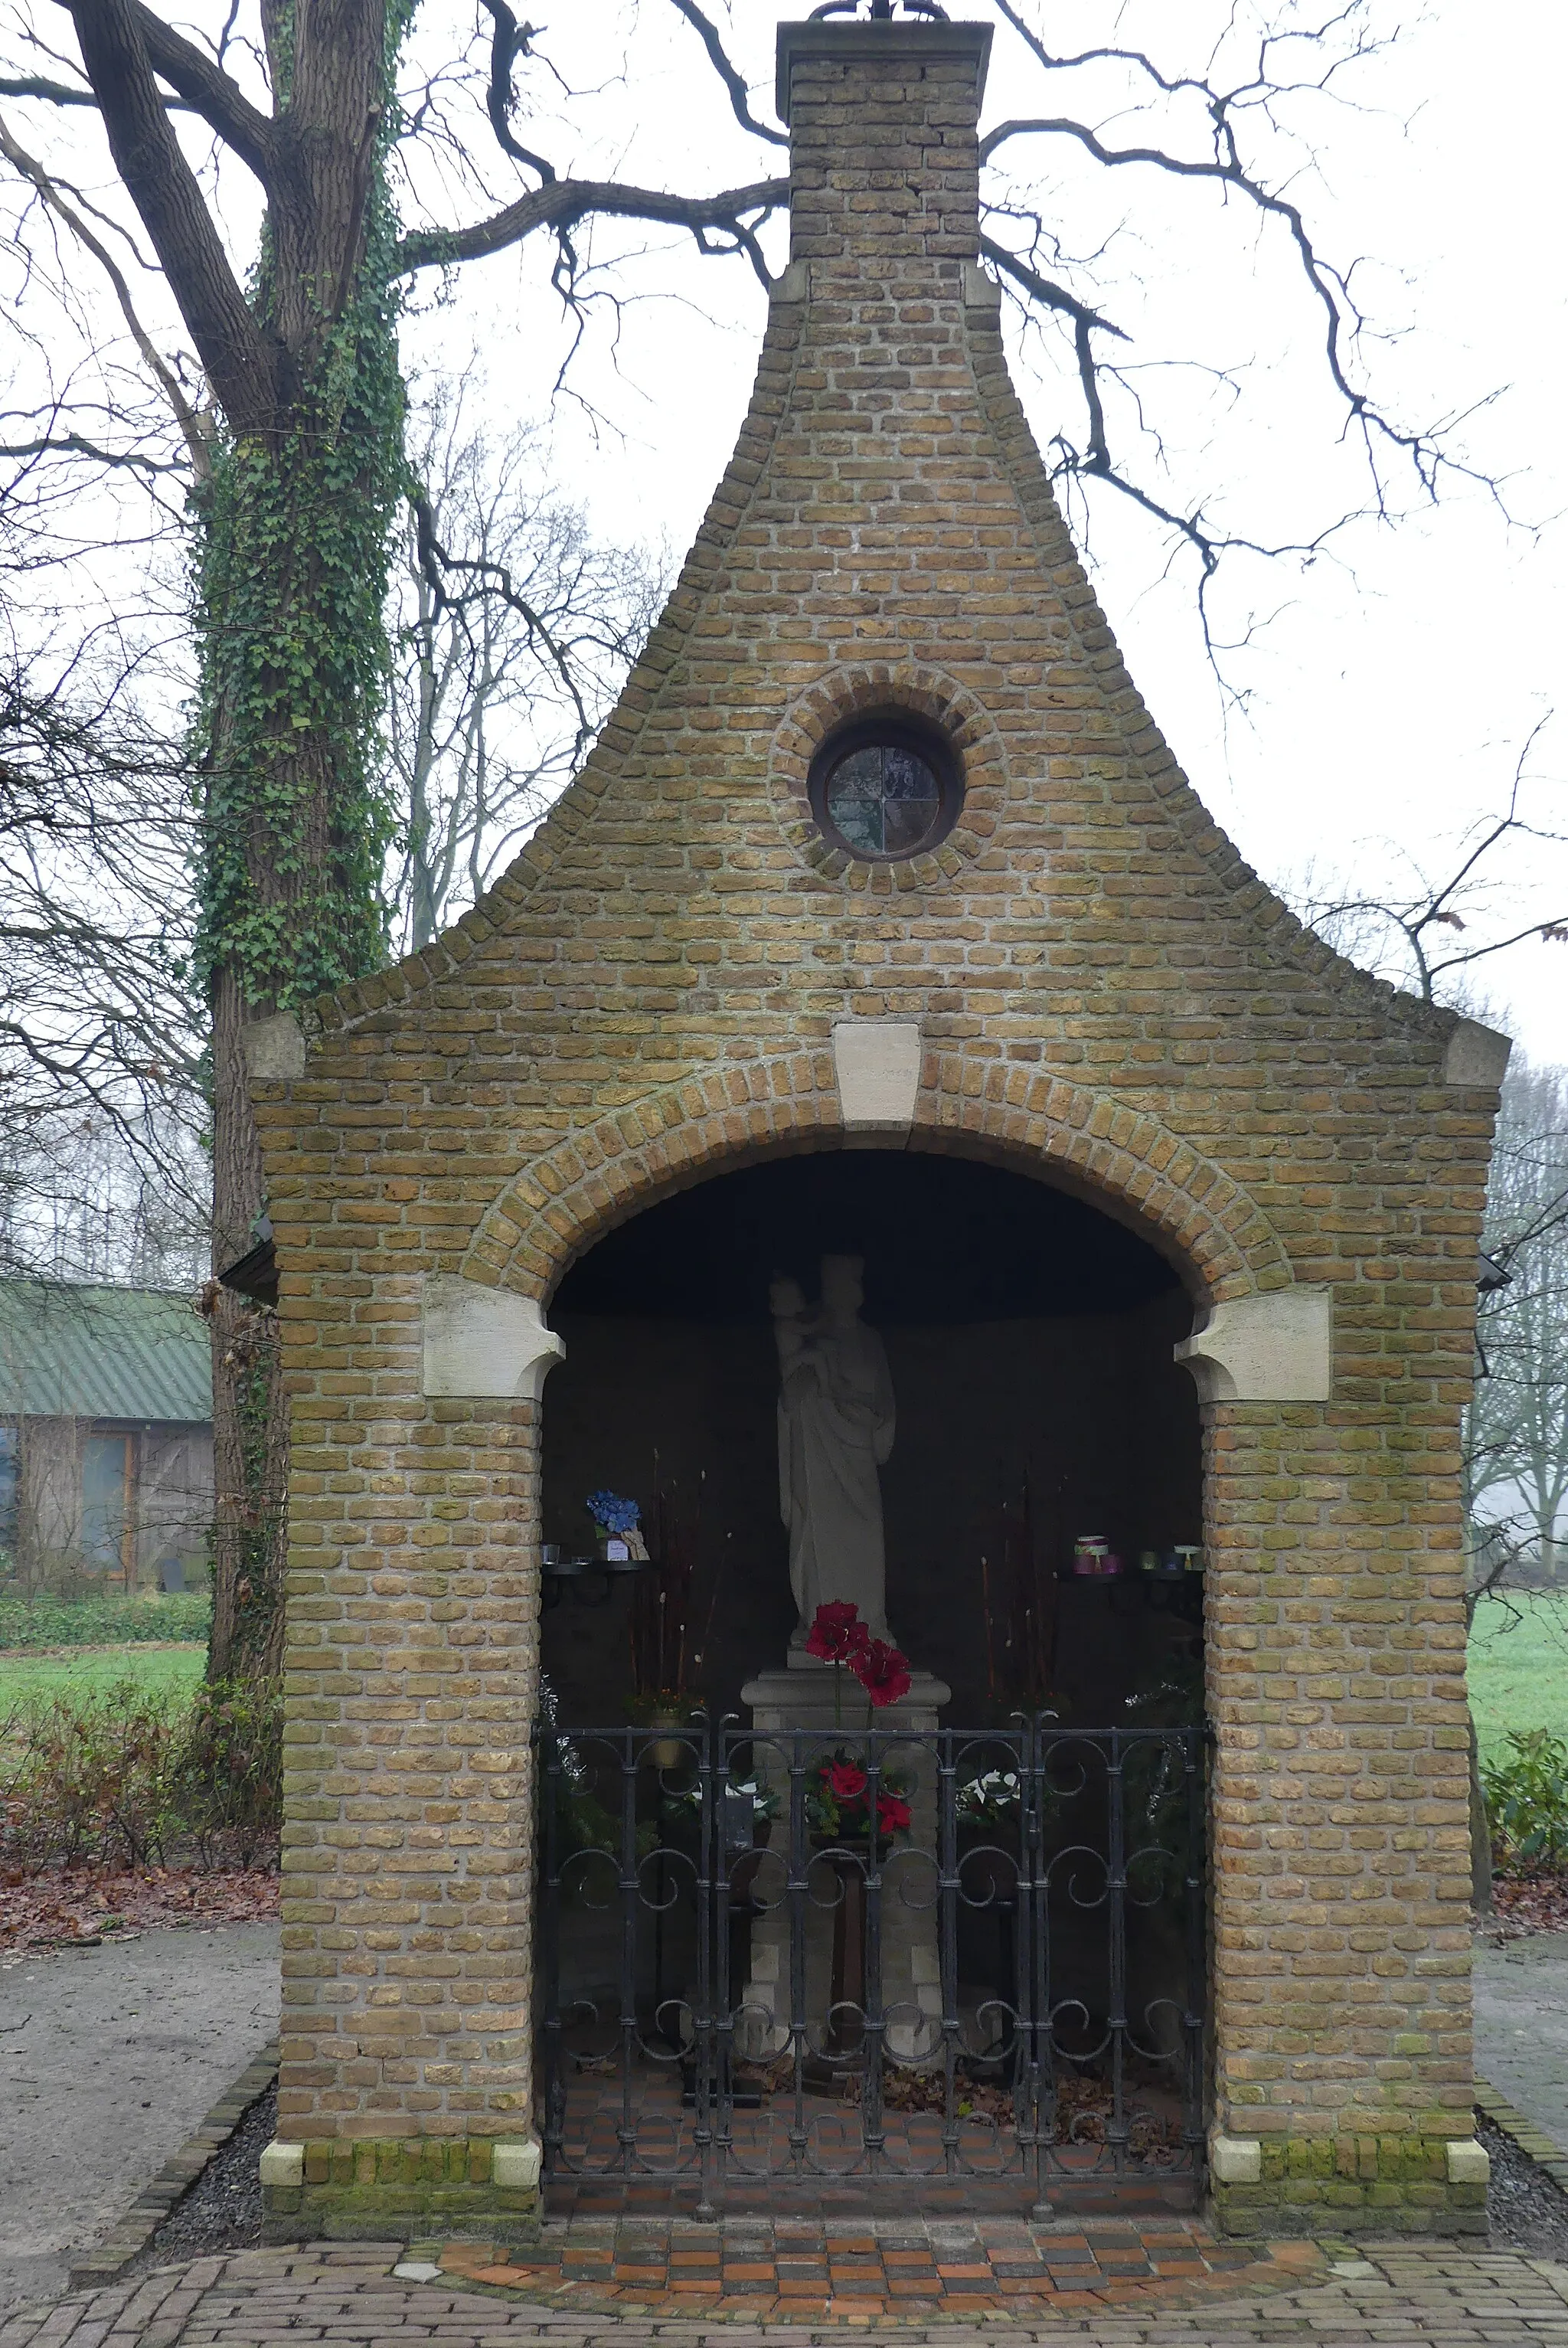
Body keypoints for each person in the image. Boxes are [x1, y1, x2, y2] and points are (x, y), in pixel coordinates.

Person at [770, 1254, 897, 1658]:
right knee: (819, 1535)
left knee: (866, 1537)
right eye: (837, 1284)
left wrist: (849, 1403)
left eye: (852, 1283)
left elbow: (883, 1405)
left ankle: (869, 1626)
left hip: (857, 1456)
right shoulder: (811, 1340)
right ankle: (823, 1630)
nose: (846, 1292)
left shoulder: (870, 1340)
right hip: (819, 1461)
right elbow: (791, 1400)